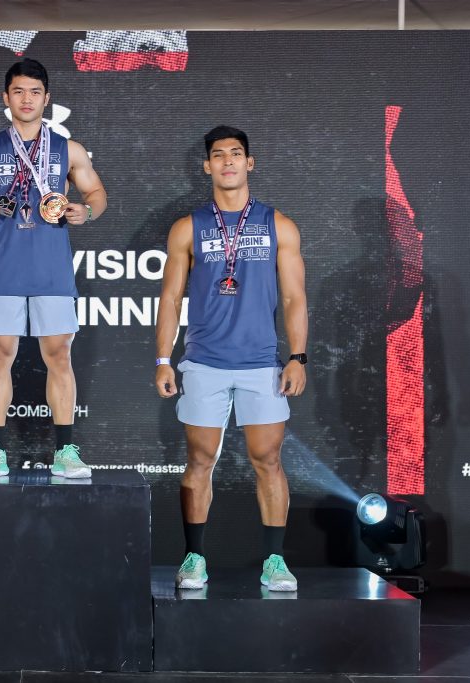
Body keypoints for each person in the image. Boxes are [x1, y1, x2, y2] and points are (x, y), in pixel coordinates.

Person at [155, 125, 307, 591]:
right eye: (218, 155)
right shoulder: (188, 227)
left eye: (236, 154)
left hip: (262, 363)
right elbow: (170, 298)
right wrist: (163, 358)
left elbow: (294, 297)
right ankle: (194, 558)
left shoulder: (279, 225)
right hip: (204, 362)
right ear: (207, 166)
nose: (227, 161)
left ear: (249, 162)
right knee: (200, 459)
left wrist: (298, 356)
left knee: (268, 459)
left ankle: (275, 561)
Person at [0, 58, 107, 479]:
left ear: (46, 98)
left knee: (59, 355)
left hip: (51, 269)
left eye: (35, 92)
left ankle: (65, 452)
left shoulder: (68, 149)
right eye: (18, 91)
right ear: (6, 97)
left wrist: (86, 211)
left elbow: (96, 193)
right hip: (4, 269)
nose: (27, 99)